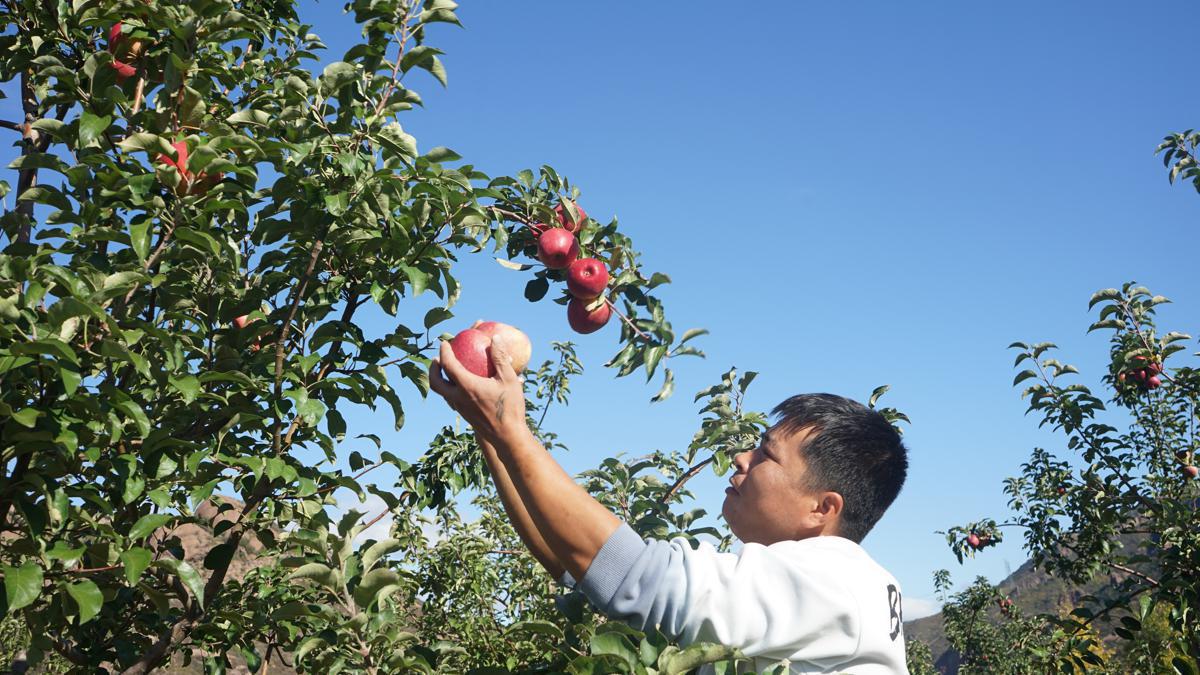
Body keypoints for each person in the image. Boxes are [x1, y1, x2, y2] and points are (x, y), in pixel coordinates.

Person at [429, 335, 911, 674]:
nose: (741, 457)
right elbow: (578, 566)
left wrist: (510, 430)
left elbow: (633, 578)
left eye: (766, 454)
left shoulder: (834, 579)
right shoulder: (829, 586)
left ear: (822, 509)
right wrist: (492, 433)